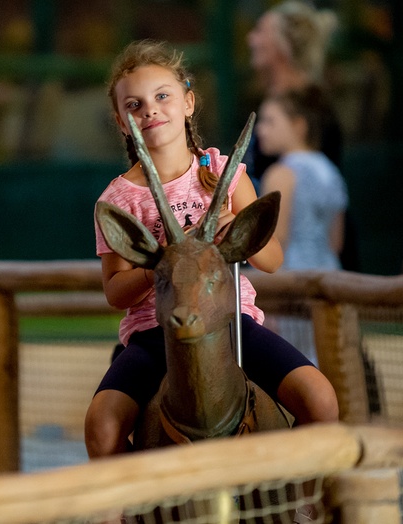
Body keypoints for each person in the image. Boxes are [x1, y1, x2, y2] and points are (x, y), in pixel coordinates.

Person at [85, 40, 338, 462]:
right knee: (101, 425)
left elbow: (272, 260)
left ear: (188, 101)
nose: (150, 110)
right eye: (135, 104)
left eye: (162, 96)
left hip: (230, 324)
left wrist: (236, 231)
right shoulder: (118, 199)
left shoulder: (224, 174)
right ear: (122, 122)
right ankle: (125, 509)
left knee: (321, 400)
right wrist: (163, 264)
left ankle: (304, 504)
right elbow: (115, 293)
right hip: (156, 333)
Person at [245, 1, 358, 272]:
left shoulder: (315, 112)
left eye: (261, 30)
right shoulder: (273, 104)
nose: (251, 38)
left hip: (292, 269)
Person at [256, 86, 348, 271]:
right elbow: (336, 243)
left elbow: (273, 242)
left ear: (299, 125)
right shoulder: (331, 171)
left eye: (269, 122)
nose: (260, 130)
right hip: (331, 280)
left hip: (290, 285)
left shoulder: (279, 175)